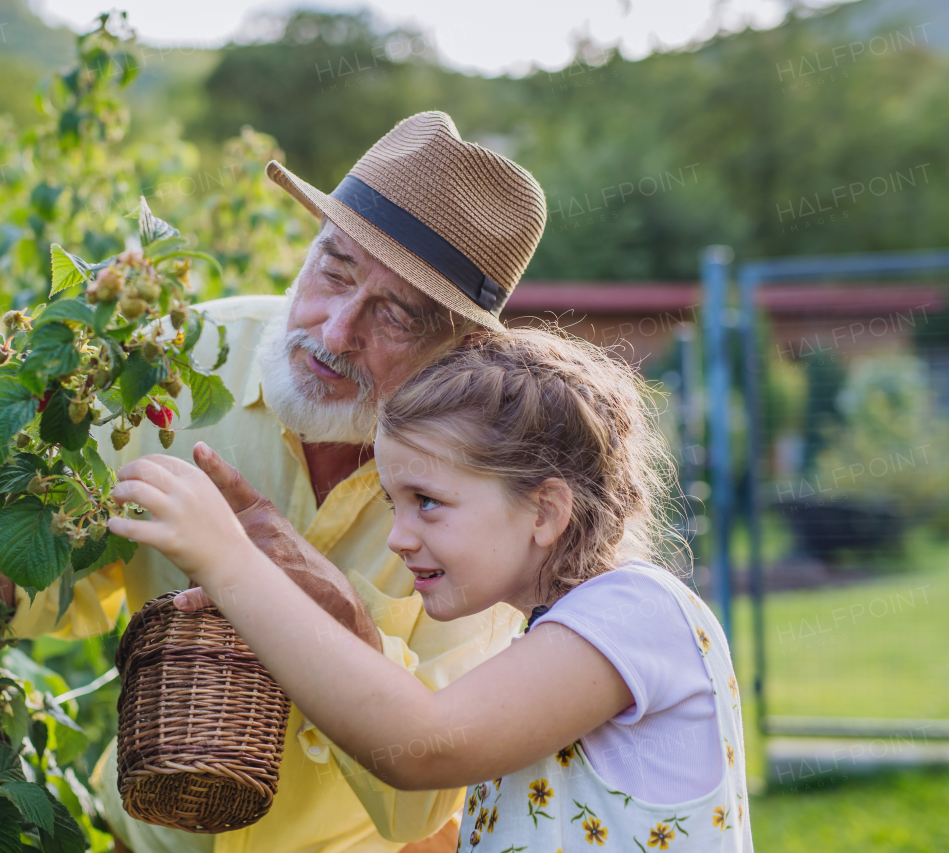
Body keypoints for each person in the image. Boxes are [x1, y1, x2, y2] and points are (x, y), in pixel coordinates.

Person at [0, 110, 550, 853]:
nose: (336, 329)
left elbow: (432, 794)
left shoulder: (487, 487)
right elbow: (78, 584)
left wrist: (337, 616)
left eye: (395, 315)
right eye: (334, 269)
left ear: (461, 349)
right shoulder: (182, 364)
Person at [106, 328, 753, 853]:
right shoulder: (560, 636)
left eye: (428, 502)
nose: (399, 536)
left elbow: (422, 743)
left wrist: (228, 561)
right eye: (394, 502)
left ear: (545, 511)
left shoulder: (637, 612)